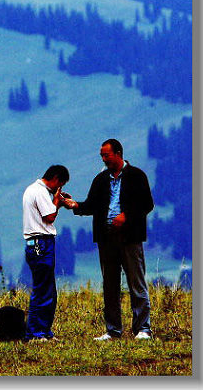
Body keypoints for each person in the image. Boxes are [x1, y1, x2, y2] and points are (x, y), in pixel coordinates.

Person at [64, 139, 154, 340]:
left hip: (130, 237)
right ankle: (113, 330)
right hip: (107, 238)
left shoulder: (137, 176)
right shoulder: (101, 179)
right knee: (110, 285)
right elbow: (91, 205)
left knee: (136, 282)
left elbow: (147, 204)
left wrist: (127, 215)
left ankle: (143, 329)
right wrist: (74, 205)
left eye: (107, 155)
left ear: (118, 153)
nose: (104, 159)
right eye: (102, 156)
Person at [22, 164, 70, 341]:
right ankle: (35, 333)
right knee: (42, 289)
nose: (59, 189)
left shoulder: (32, 189)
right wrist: (57, 200)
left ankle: (44, 331)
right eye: (60, 184)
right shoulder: (40, 191)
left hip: (37, 243)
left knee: (48, 289)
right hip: (41, 243)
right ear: (56, 179)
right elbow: (49, 217)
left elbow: (48, 212)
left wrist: (58, 202)